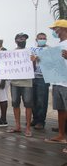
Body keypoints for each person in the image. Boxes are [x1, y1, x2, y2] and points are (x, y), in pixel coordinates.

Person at [44, 20, 67, 153]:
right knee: (60, 109)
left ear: (63, 29)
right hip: (57, 82)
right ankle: (61, 135)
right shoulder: (58, 45)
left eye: (56, 28)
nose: (54, 31)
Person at [7, 33, 33, 137]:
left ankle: (27, 128)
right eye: (20, 38)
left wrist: (34, 61)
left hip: (27, 82)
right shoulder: (12, 53)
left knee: (28, 104)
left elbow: (33, 69)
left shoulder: (30, 52)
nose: (22, 39)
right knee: (15, 103)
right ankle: (17, 126)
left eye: (24, 38)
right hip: (14, 82)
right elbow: (7, 68)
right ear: (16, 40)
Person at [30, 33, 50, 130]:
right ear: (36, 39)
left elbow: (53, 63)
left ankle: (41, 121)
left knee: (41, 100)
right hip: (32, 77)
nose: (42, 39)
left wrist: (41, 58)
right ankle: (35, 119)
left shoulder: (50, 50)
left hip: (43, 78)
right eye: (40, 38)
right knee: (33, 100)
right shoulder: (32, 49)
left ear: (46, 39)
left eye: (44, 38)